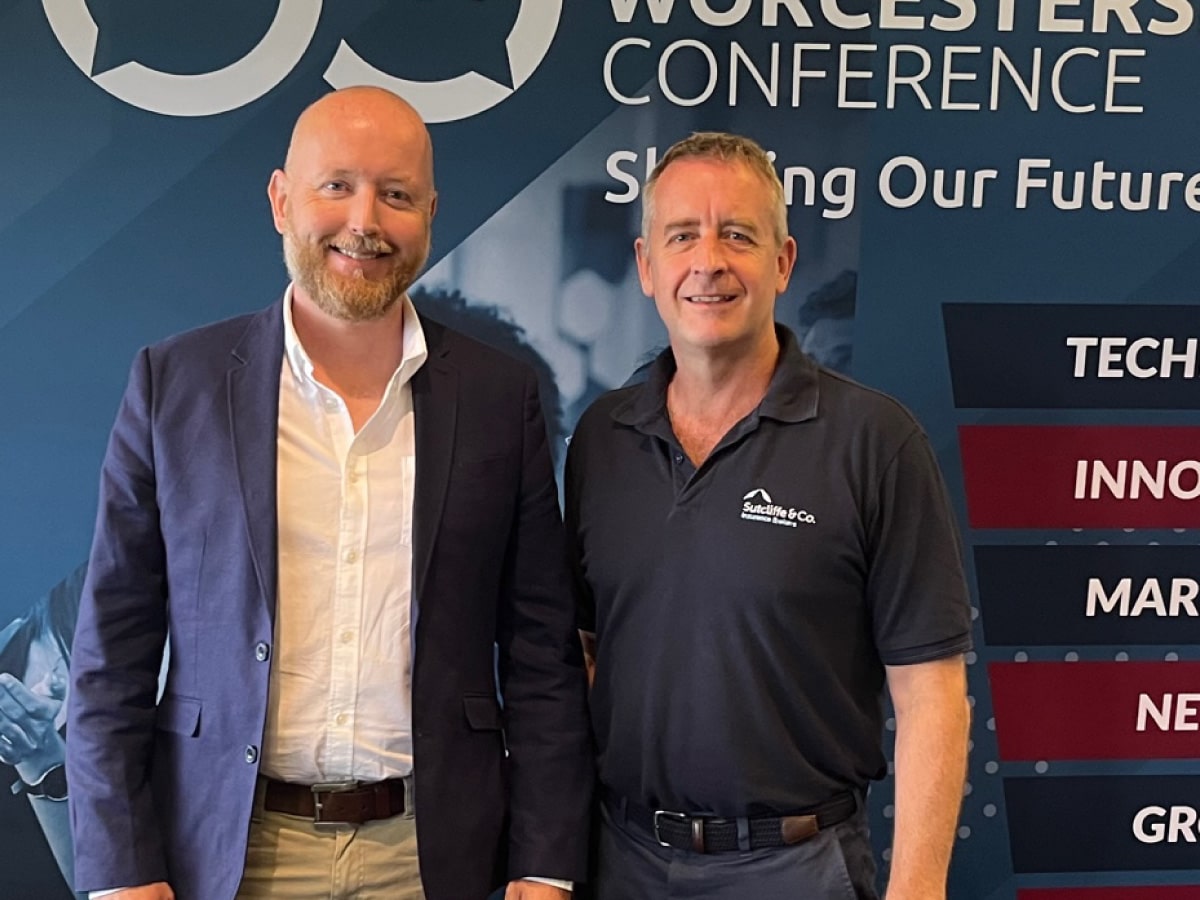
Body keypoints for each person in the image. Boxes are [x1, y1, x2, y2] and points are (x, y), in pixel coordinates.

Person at [66, 87, 592, 900]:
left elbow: (540, 656)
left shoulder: (498, 398)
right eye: (336, 186)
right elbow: (112, 652)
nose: (364, 220)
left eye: (396, 194)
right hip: (227, 855)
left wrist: (545, 862)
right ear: (282, 200)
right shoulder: (175, 385)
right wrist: (121, 873)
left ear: (430, 214)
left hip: (430, 858)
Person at [565, 132, 972, 900]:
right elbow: (585, 654)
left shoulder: (875, 442)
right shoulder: (601, 440)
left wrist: (919, 888)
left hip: (798, 867)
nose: (708, 261)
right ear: (647, 266)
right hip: (623, 860)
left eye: (737, 235)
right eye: (682, 236)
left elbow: (932, 695)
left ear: (782, 262)